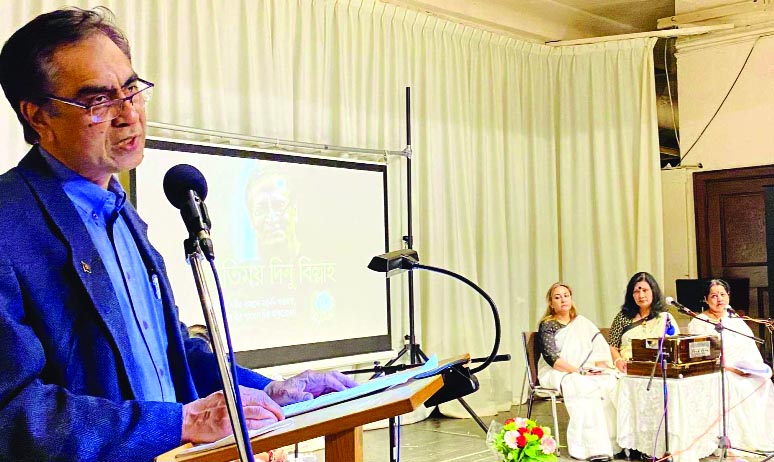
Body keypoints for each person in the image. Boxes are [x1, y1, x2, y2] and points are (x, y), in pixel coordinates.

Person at [0, 7, 356, 461]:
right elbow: (13, 413)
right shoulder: (9, 223)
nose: (128, 113)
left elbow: (174, 354)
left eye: (131, 89)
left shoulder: (123, 215)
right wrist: (179, 423)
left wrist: (269, 391)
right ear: (38, 117)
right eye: (98, 100)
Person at [686, 279, 774, 451]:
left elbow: (749, 347)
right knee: (734, 384)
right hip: (718, 370)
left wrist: (754, 367)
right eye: (714, 296)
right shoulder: (699, 322)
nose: (719, 299)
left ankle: (761, 433)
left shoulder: (734, 318)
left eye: (722, 294)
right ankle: (733, 439)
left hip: (743, 368)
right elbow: (702, 356)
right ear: (706, 299)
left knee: (763, 381)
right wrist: (730, 368)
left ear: (728, 296)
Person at [537, 283, 620, 461]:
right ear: (551, 303)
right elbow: (552, 359)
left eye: (566, 295)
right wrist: (579, 371)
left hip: (585, 369)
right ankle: (589, 448)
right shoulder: (547, 325)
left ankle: (613, 443)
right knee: (581, 385)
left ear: (571, 298)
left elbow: (599, 350)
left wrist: (599, 369)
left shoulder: (582, 323)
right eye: (557, 297)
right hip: (557, 371)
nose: (562, 299)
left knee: (609, 381)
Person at [608, 272, 679, 369]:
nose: (641, 295)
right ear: (631, 295)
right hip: (627, 369)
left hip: (657, 369)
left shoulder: (664, 318)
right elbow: (612, 346)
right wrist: (618, 361)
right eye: (636, 292)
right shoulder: (623, 317)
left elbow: (675, 347)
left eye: (645, 290)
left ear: (653, 291)